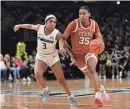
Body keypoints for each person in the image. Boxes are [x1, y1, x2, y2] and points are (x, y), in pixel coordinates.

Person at [14, 14, 77, 107]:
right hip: (41, 56)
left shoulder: (57, 33)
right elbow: (30, 26)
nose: (53, 24)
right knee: (37, 74)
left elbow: (63, 43)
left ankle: (71, 97)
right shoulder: (39, 28)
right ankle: (46, 90)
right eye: (51, 21)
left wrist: (70, 55)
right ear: (45, 22)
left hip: (53, 57)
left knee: (61, 80)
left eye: (55, 22)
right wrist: (19, 25)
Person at [61, 6, 110, 107]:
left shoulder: (94, 24)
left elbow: (99, 38)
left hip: (90, 51)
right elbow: (62, 39)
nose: (82, 16)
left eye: (84, 13)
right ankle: (102, 89)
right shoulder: (74, 24)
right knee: (91, 77)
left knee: (92, 69)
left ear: (89, 14)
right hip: (78, 56)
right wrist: (70, 54)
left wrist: (100, 43)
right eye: (80, 14)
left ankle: (97, 94)